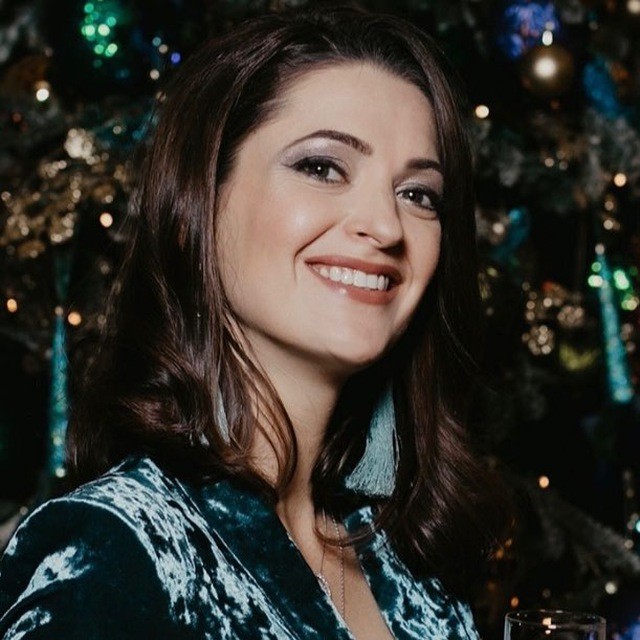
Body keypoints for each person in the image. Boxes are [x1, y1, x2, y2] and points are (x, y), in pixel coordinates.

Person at [0, 6, 507, 639]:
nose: (385, 226)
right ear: (199, 203)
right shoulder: (114, 551)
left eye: (418, 194)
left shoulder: (411, 563)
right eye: (322, 168)